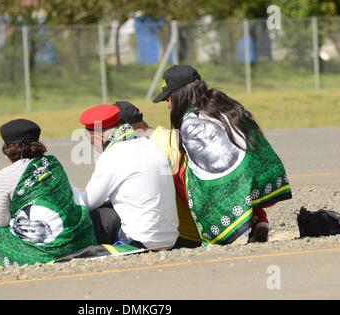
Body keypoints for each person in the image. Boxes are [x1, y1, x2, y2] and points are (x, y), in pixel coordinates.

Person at [153, 65, 292, 245]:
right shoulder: (221, 102)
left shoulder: (190, 122)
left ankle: (215, 231)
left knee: (180, 172)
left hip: (238, 182)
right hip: (262, 175)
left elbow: (210, 172)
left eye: (168, 98)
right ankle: (258, 218)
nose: (168, 104)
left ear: (179, 95)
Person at [0, 119, 97, 269]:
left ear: (7, 149)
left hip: (49, 251)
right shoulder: (52, 163)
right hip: (79, 241)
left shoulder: (4, 176)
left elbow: (2, 222)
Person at [77, 104, 179, 250]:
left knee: (96, 216)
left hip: (141, 240)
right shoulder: (150, 145)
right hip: (170, 238)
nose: (93, 145)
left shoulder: (113, 155)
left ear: (98, 135)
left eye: (91, 140)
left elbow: (87, 203)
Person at [113, 100, 201, 248]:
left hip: (182, 235)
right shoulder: (169, 136)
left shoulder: (151, 150)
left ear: (133, 127)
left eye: (114, 131)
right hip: (197, 229)